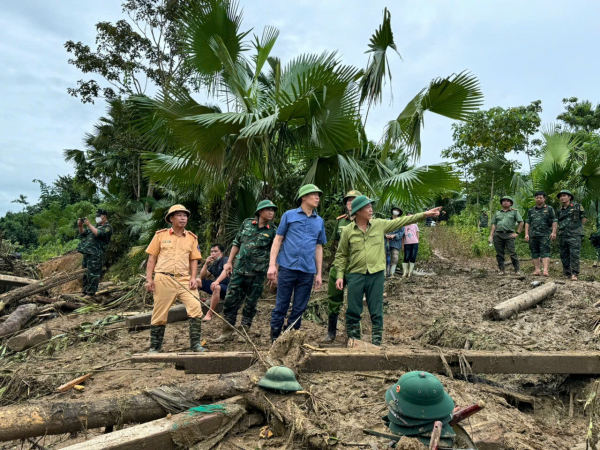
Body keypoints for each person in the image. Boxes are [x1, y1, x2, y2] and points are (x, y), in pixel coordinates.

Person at [334, 195, 441, 345]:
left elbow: (402, 221)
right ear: (358, 211)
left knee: (376, 310)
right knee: (353, 310)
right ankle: (354, 342)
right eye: (367, 207)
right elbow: (341, 255)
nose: (371, 210)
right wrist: (340, 275)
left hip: (376, 274)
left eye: (371, 206)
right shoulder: (347, 231)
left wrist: (424, 215)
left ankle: (376, 344)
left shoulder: (379, 224)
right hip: (355, 274)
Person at [268, 184, 326, 342]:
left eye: (318, 195)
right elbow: (278, 240)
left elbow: (318, 247)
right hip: (287, 267)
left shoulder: (319, 221)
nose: (317, 198)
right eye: (314, 194)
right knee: (281, 305)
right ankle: (275, 340)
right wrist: (272, 265)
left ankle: (289, 339)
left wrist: (319, 273)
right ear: (304, 197)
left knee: (299, 308)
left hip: (307, 271)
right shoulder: (289, 215)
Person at [214, 200, 278, 342]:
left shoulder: (273, 230)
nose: (271, 212)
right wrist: (229, 262)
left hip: (258, 273)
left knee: (251, 303)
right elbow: (237, 243)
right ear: (260, 211)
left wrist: (274, 271)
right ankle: (226, 332)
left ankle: (244, 332)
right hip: (239, 270)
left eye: (273, 210)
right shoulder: (247, 223)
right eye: (268, 210)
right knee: (230, 300)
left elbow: (276, 251)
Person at [144, 204, 205, 353]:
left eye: (185, 215)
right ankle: (155, 347)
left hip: (185, 279)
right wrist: (149, 279)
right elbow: (152, 258)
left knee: (195, 308)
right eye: (179, 215)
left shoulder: (191, 238)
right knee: (159, 312)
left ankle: (195, 345)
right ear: (171, 219)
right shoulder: (161, 235)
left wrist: (193, 277)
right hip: (163, 278)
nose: (183, 218)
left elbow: (194, 260)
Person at [323, 190, 361, 344]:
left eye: (354, 200)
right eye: (348, 200)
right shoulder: (341, 222)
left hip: (356, 267)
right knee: (333, 299)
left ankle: (353, 336)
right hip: (339, 266)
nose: (351, 203)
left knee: (354, 301)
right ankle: (331, 333)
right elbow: (335, 246)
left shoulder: (366, 222)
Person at [77, 209, 113, 297]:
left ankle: (90, 293)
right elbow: (83, 233)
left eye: (99, 216)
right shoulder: (96, 226)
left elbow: (98, 233)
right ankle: (85, 291)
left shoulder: (108, 227)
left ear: (104, 216)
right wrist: (80, 226)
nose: (97, 218)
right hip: (87, 253)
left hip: (96, 254)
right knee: (85, 273)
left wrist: (89, 224)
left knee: (93, 273)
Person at [524, 191, 557, 277]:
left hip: (544, 234)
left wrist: (554, 232)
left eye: (540, 198)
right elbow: (527, 222)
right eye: (537, 198)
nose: (538, 199)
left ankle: (545, 270)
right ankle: (537, 270)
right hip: (533, 235)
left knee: (545, 253)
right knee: (534, 253)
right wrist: (526, 234)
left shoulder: (549, 209)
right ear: (535, 198)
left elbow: (554, 220)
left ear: (544, 199)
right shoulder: (531, 210)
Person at [488, 196, 524, 274]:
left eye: (508, 201)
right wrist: (491, 235)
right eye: (504, 200)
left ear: (511, 203)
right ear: (501, 203)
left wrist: (517, 233)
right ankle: (502, 270)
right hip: (498, 235)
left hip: (509, 235)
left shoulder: (514, 212)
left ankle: (517, 270)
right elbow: (494, 224)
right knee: (499, 253)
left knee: (512, 253)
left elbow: (521, 222)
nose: (505, 202)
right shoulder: (497, 213)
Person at [557, 190, 586, 281]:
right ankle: (567, 272)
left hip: (575, 234)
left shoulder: (577, 206)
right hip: (563, 234)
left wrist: (578, 228)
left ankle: (574, 273)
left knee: (574, 254)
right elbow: (557, 221)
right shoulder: (559, 210)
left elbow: (584, 217)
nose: (562, 197)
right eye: (561, 196)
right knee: (564, 254)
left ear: (569, 197)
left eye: (564, 195)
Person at [196, 243, 229, 321]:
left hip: (228, 288)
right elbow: (202, 277)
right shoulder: (214, 264)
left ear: (221, 253)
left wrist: (217, 281)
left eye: (215, 251)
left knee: (216, 287)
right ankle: (196, 304)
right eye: (211, 251)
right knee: (197, 281)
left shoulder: (225, 260)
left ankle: (209, 313)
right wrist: (206, 264)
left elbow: (226, 270)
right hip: (217, 287)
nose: (213, 253)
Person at [385, 206, 404, 278]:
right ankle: (385, 273)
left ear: (399, 213)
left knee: (395, 257)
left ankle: (392, 273)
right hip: (386, 241)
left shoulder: (400, 222)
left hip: (396, 242)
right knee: (384, 257)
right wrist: (386, 235)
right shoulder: (387, 220)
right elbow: (383, 229)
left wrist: (394, 235)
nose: (395, 211)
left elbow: (401, 232)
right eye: (394, 210)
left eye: (397, 210)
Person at [402, 213, 419, 277]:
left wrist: (417, 241)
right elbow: (403, 236)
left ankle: (410, 272)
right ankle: (405, 272)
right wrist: (402, 245)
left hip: (414, 243)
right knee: (406, 257)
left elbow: (417, 234)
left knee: (413, 257)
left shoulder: (415, 225)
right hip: (407, 243)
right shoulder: (404, 226)